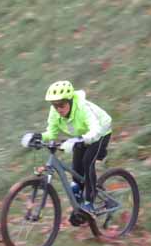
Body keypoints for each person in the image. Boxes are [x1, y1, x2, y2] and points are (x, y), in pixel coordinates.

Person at [36, 80, 112, 218]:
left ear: (70, 101)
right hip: (83, 135)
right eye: (55, 105)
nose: (58, 109)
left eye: (61, 104)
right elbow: (51, 133)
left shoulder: (82, 108)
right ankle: (79, 204)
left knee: (87, 162)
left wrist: (80, 140)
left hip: (101, 132)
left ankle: (89, 202)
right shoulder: (55, 112)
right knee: (76, 166)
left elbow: (95, 130)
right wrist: (38, 136)